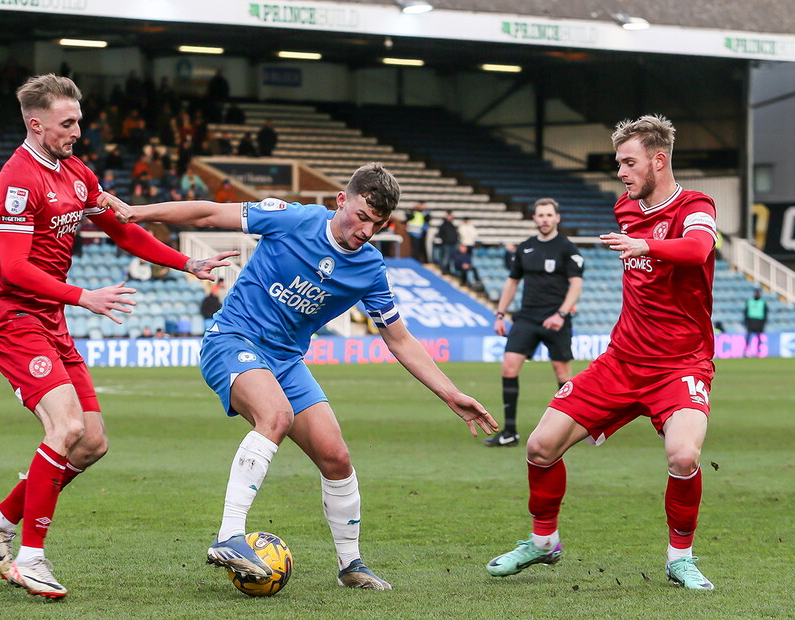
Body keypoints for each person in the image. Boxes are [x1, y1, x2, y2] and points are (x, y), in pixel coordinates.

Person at [100, 162, 498, 590]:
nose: (367, 231)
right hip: (233, 339)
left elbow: (399, 338)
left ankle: (351, 565)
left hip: (286, 361)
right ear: (341, 200)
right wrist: (137, 212)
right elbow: (211, 213)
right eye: (362, 216)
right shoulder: (292, 218)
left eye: (378, 224)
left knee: (336, 457)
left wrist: (450, 393)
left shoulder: (370, 268)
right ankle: (229, 534)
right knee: (276, 415)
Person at [0, 73, 235, 600]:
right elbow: (15, 269)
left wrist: (187, 263)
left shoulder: (77, 174)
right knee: (66, 426)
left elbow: (122, 229)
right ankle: (31, 558)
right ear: (36, 124)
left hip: (50, 318)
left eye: (79, 122)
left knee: (92, 442)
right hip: (13, 317)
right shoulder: (17, 182)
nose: (77, 131)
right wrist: (83, 295)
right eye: (67, 124)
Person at [486, 115, 719, 591]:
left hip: (680, 365)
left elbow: (698, 250)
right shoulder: (625, 207)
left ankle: (680, 559)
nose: (621, 172)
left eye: (629, 162)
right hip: (621, 360)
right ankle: (544, 541)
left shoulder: (695, 205)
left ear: (659, 161)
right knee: (540, 446)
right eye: (618, 163)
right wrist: (640, 242)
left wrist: (644, 245)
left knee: (682, 455)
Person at [487, 197, 584, 447]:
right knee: (509, 366)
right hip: (527, 317)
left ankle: (568, 429)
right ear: (534, 218)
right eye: (540, 215)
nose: (545, 219)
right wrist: (500, 314)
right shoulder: (525, 247)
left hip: (556, 318)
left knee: (562, 373)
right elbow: (512, 282)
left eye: (549, 215)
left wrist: (561, 314)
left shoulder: (567, 248)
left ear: (557, 218)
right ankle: (509, 431)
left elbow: (576, 284)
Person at [743, 288, 767, 356]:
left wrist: (764, 322)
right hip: (751, 321)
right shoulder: (750, 301)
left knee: (759, 337)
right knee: (748, 336)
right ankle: (747, 351)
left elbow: (765, 313)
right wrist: (746, 321)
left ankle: (758, 351)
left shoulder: (762, 302)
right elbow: (746, 311)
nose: (757, 294)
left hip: (759, 322)